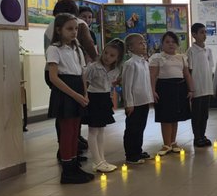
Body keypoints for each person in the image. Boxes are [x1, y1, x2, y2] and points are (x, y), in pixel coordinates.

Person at [45, 13, 93, 184]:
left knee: (75, 131)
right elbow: (54, 77)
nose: (74, 32)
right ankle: (67, 171)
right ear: (59, 30)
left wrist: (85, 94)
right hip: (65, 91)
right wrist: (76, 95)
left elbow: (82, 73)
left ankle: (74, 165)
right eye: (69, 29)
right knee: (67, 131)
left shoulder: (77, 49)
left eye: (76, 29)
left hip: (78, 89)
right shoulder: (54, 49)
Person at [150, 31, 194, 156]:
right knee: (166, 117)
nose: (171, 44)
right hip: (164, 89)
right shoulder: (157, 57)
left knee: (175, 117)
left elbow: (187, 75)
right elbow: (153, 76)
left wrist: (191, 90)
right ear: (162, 44)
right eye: (167, 42)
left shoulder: (182, 57)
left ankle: (173, 142)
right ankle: (166, 144)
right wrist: (152, 91)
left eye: (173, 42)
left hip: (180, 88)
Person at [83, 40, 124, 172]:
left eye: (112, 55)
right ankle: (97, 161)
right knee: (93, 131)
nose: (107, 57)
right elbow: (85, 81)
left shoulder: (115, 70)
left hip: (104, 98)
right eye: (106, 53)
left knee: (101, 131)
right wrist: (85, 96)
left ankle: (101, 159)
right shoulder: (94, 67)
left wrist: (114, 86)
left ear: (117, 58)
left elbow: (109, 83)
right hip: (94, 98)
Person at [122, 34, 153, 164]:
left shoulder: (144, 62)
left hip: (143, 101)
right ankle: (131, 154)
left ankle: (138, 150)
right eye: (140, 43)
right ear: (131, 47)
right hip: (134, 103)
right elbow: (127, 85)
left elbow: (146, 82)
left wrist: (150, 98)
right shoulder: (130, 64)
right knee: (132, 128)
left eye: (144, 42)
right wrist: (129, 103)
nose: (144, 45)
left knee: (141, 127)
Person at [187, 23, 214, 148]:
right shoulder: (191, 51)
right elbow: (189, 71)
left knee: (205, 114)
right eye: (201, 32)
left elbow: (209, 68)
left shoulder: (208, 50)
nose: (204, 35)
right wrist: (191, 88)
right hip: (197, 88)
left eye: (205, 32)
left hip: (207, 87)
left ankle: (203, 135)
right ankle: (197, 137)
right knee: (196, 114)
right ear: (194, 34)